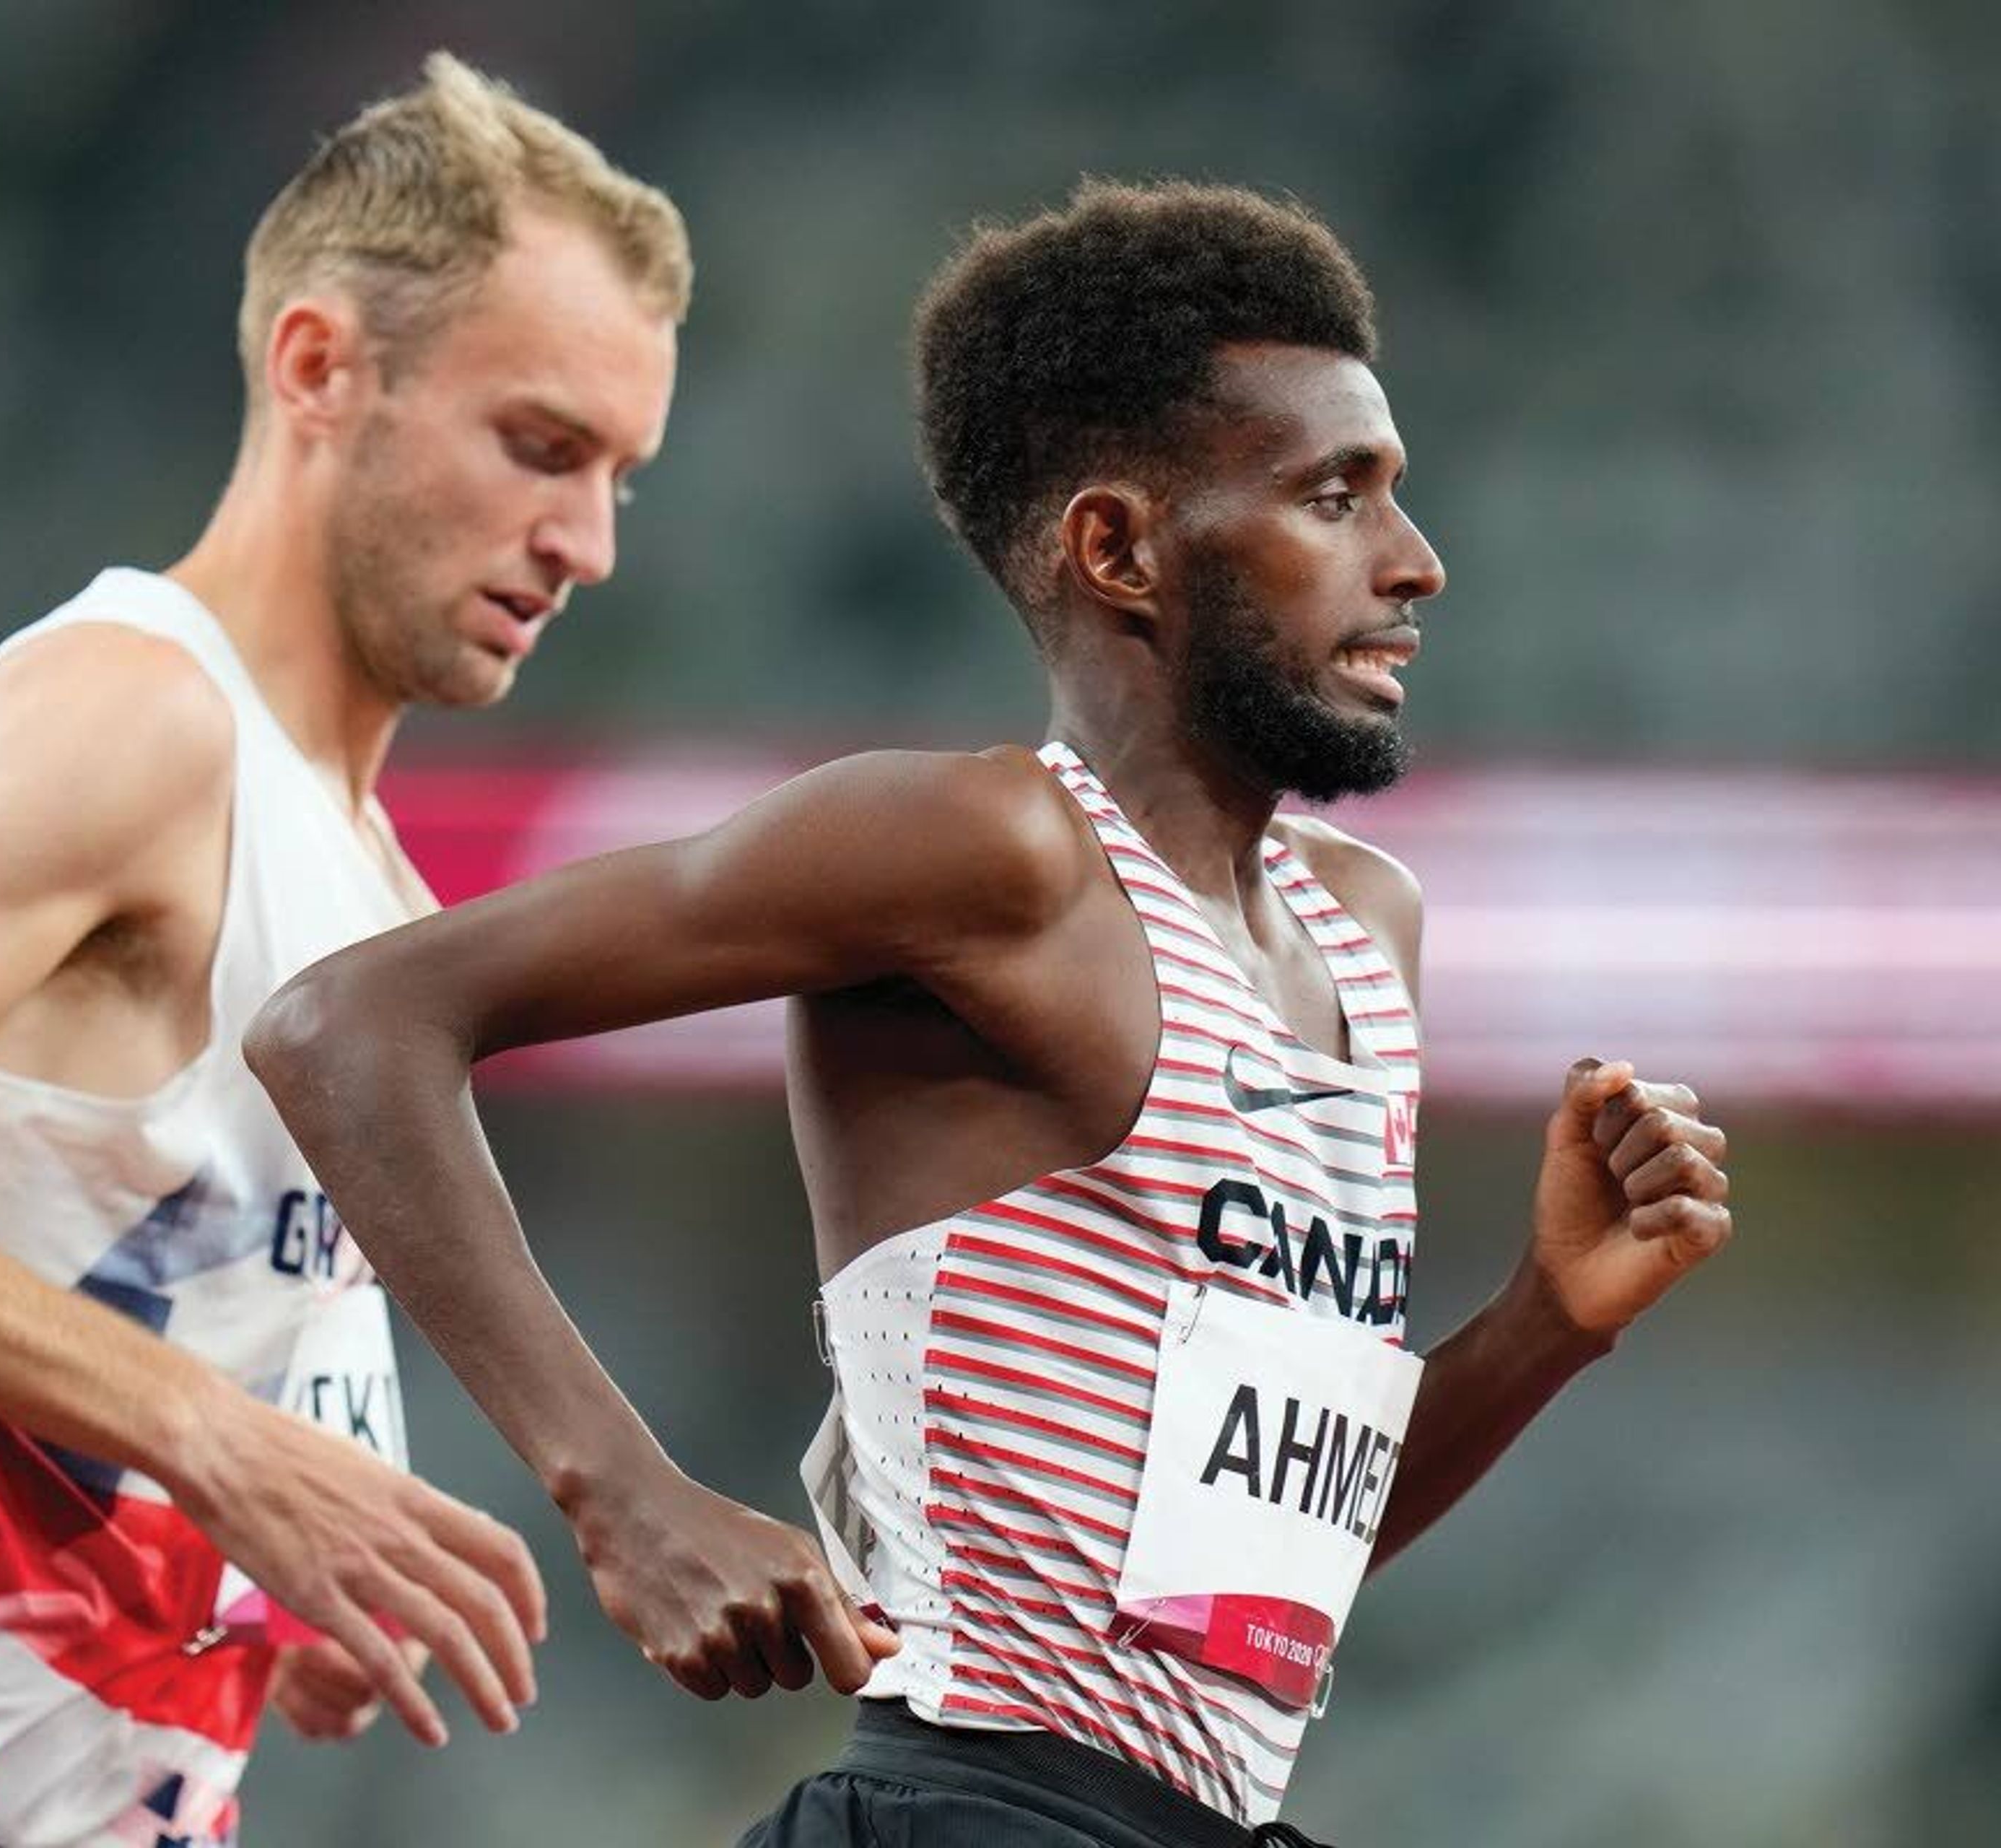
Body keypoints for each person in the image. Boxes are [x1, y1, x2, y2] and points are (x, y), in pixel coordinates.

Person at [240, 180, 1735, 1847]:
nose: (1417, 562)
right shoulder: (987, 851)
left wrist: (1548, 1318)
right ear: (1119, 548)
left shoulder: (1367, 932)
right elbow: (352, 1024)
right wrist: (624, 1493)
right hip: (972, 1801)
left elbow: (1253, 1568)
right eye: (1336, 496)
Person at [0, 53, 689, 1848]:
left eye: (622, 474)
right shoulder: (136, 714)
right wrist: (217, 1447)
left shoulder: (379, 888)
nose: (588, 542)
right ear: (320, 366)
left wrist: (253, 1575)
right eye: (541, 447)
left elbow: (22, 1274)